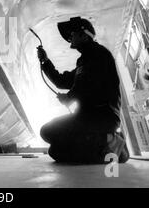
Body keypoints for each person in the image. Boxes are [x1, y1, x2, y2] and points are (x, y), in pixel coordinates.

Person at [37, 17, 129, 164]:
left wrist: (69, 97)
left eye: (72, 33)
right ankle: (102, 142)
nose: (70, 37)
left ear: (84, 35)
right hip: (87, 117)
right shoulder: (83, 61)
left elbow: (87, 85)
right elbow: (62, 81)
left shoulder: (99, 55)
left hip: (103, 118)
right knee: (48, 133)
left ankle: (114, 148)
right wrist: (45, 62)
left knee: (56, 150)